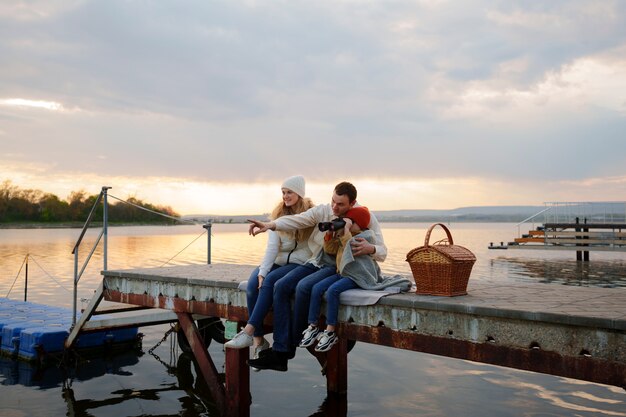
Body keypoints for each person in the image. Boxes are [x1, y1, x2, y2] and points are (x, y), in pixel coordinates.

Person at [247, 181, 388, 371]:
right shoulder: (324, 211)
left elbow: (382, 251)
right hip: (319, 261)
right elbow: (298, 220)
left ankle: (289, 345)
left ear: (352, 203)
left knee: (303, 287)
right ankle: (281, 352)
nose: (335, 207)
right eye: (333, 201)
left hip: (340, 268)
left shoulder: (366, 218)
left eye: (341, 205)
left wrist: (370, 248)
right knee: (280, 286)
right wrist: (270, 225)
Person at [224, 175, 315, 364]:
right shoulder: (278, 215)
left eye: (289, 192)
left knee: (271, 283)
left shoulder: (310, 215)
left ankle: (249, 331)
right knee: (252, 285)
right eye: (283, 192)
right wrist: (262, 272)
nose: (285, 196)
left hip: (298, 263)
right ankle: (258, 340)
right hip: (279, 260)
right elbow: (272, 248)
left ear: (299, 193)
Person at [298, 206, 411, 352]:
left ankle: (330, 330)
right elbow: (330, 250)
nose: (347, 224)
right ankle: (312, 326)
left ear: (360, 223)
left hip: (357, 276)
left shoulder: (365, 237)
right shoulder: (347, 235)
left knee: (333, 291)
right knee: (317, 288)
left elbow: (348, 249)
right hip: (343, 273)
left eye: (351, 221)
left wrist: (345, 230)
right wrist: (329, 234)